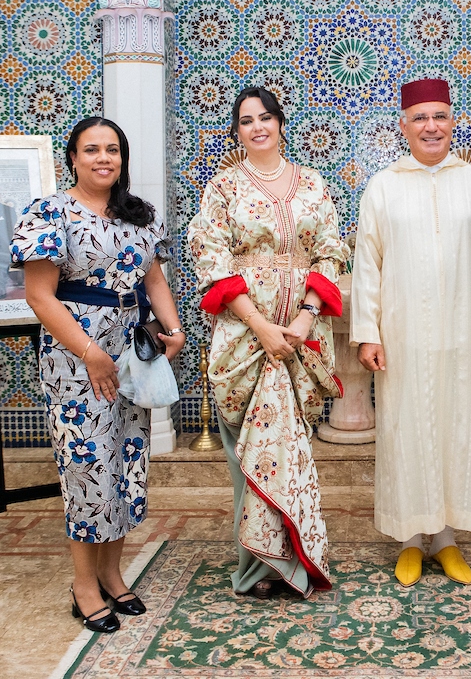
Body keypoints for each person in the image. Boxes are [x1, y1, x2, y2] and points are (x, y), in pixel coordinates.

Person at [12, 117, 185, 633]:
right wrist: (89, 351)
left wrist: (171, 329)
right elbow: (39, 295)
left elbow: (153, 276)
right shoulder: (49, 212)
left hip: (132, 350)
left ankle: (113, 575)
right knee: (86, 467)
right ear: (73, 157)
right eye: (92, 150)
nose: (103, 158)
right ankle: (83, 585)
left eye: (112, 150)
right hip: (75, 356)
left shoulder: (138, 215)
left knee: (127, 461)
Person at [187, 86, 349, 599]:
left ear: (280, 124)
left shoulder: (313, 185)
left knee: (290, 448)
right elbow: (210, 258)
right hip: (244, 338)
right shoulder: (223, 188)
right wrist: (259, 324)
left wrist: (302, 321)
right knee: (247, 452)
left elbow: (331, 254)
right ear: (237, 132)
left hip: (301, 336)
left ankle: (294, 560)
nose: (257, 127)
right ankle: (256, 567)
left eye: (265, 118)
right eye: (245, 121)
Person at [351, 77, 471, 587]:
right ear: (403, 126)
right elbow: (367, 266)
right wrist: (367, 333)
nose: (431, 126)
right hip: (400, 337)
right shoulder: (384, 185)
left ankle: (444, 539)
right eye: (420, 117)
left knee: (454, 429)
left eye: (439, 116)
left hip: (463, 333)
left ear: (453, 122)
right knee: (404, 431)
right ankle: (408, 539)